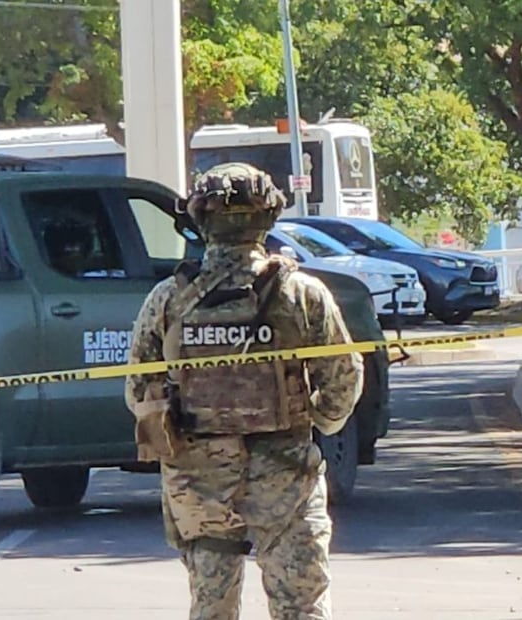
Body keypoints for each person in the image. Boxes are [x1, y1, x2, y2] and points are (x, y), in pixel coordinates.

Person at [124, 162, 364, 620]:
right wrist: (316, 421)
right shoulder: (302, 294)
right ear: (269, 217)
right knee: (302, 608)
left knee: (211, 609)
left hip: (199, 486)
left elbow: (139, 391)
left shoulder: (167, 299)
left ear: (199, 218)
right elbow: (343, 379)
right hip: (286, 478)